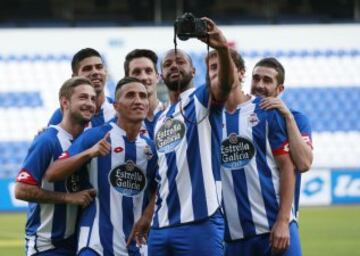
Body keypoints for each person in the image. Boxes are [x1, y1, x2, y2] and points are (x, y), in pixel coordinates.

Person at [144, 17, 234, 256]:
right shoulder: (161, 119)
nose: (174, 66)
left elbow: (224, 86)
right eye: (168, 64)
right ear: (161, 76)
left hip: (200, 221)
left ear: (193, 70)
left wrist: (222, 48)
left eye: (180, 61)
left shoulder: (201, 99)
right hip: (161, 225)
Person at [44, 77, 158, 256]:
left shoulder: (149, 148)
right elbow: (52, 173)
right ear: (116, 106)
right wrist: (89, 153)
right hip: (96, 243)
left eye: (143, 96)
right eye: (130, 95)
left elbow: (159, 188)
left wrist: (147, 216)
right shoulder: (95, 136)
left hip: (136, 245)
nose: (138, 100)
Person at [207, 50, 303, 255]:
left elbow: (289, 167)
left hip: (274, 229)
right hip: (234, 237)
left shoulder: (267, 109)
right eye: (213, 69)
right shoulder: (207, 118)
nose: (218, 73)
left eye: (224, 67)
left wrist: (284, 221)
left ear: (241, 73)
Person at [14, 77, 97, 256]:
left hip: (77, 244)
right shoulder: (47, 140)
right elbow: (21, 190)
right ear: (65, 102)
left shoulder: (89, 142)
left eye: (92, 98)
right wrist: (69, 198)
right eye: (83, 97)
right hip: (47, 246)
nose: (90, 103)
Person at [250, 57, 313, 218]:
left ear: (280, 89)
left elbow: (304, 163)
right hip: (243, 222)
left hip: (280, 218)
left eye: (267, 80)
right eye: (256, 78)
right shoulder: (236, 117)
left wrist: (288, 118)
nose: (259, 85)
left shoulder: (297, 119)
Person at [48, 48, 115, 127]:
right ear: (75, 77)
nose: (95, 72)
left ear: (105, 72)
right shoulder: (63, 115)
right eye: (87, 69)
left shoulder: (119, 111)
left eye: (99, 67)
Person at [124, 49, 166, 139]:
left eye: (148, 71)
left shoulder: (173, 114)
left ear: (157, 77)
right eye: (137, 72)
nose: (143, 77)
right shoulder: (120, 124)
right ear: (127, 80)